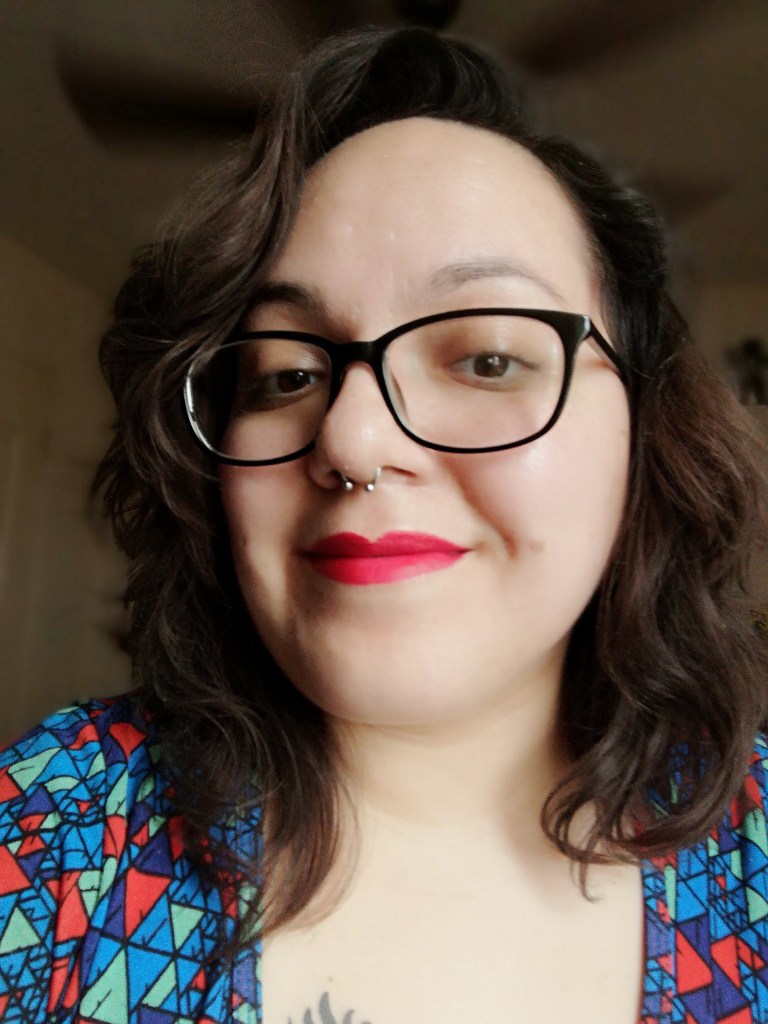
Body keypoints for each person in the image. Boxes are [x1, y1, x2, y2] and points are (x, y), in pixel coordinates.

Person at [1, 25, 767, 1024]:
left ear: (645, 433)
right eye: (286, 373)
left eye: (488, 359)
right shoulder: (54, 826)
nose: (352, 438)